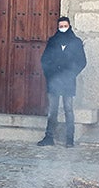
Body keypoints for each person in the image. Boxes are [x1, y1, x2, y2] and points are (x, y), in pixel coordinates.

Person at [37, 16, 86, 148]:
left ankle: (69, 139)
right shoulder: (53, 41)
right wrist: (50, 75)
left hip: (68, 82)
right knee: (52, 110)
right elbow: (44, 60)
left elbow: (82, 61)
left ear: (69, 26)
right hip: (53, 81)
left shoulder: (76, 42)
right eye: (61, 26)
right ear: (58, 27)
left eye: (65, 26)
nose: (63, 28)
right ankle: (49, 137)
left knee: (68, 110)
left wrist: (71, 74)